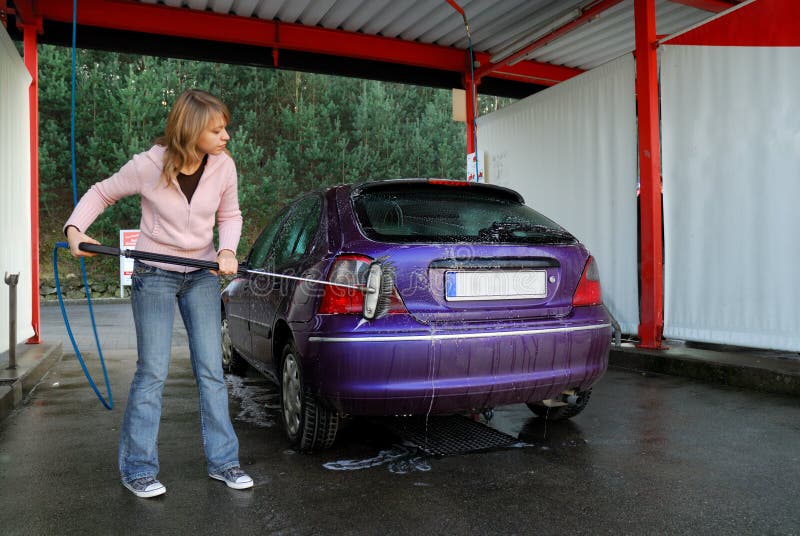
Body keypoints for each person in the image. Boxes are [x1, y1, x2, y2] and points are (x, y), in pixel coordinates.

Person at [64, 89, 253, 498]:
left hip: (202, 275)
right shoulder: (147, 166)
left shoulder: (223, 166)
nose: (226, 136)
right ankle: (138, 469)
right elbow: (101, 192)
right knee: (152, 373)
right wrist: (74, 229)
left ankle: (224, 462)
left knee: (211, 371)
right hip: (155, 274)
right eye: (217, 130)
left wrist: (226, 250)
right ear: (191, 131)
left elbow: (230, 215)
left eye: (225, 128)